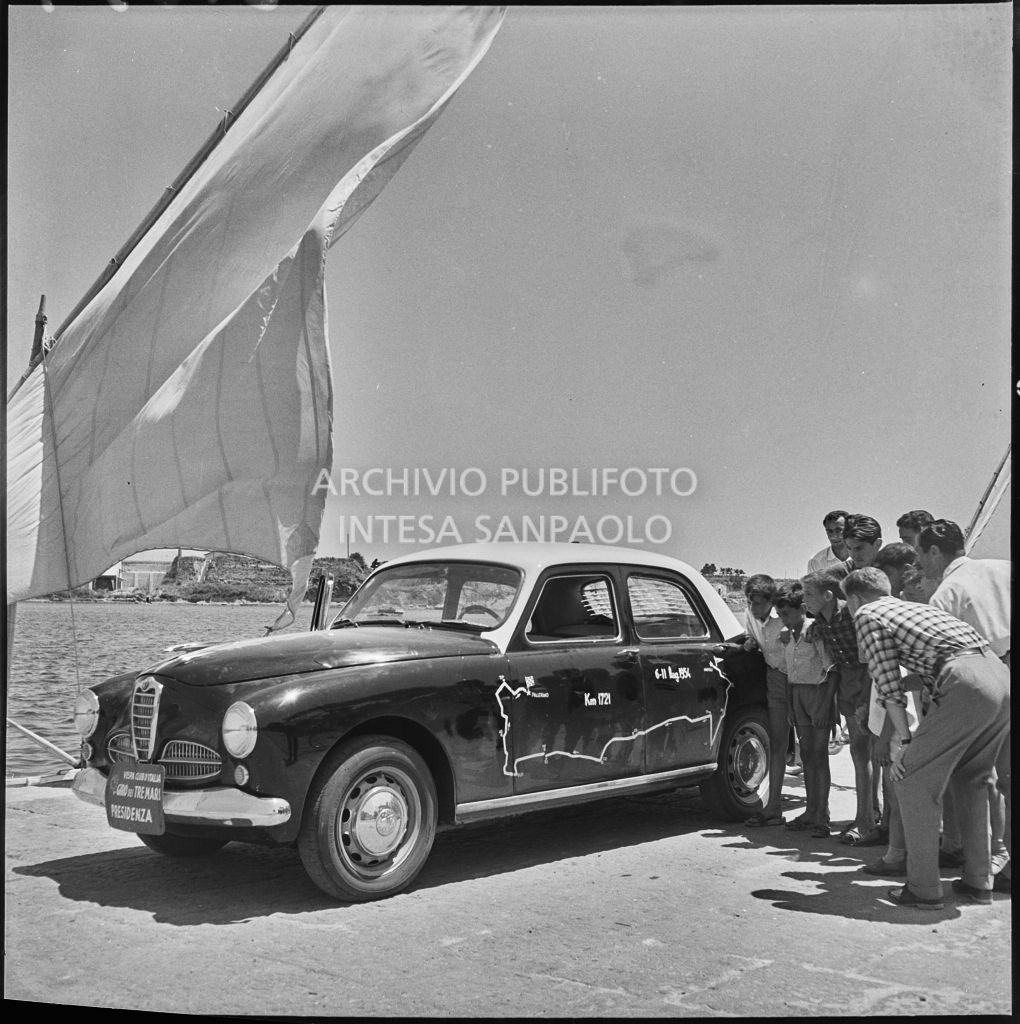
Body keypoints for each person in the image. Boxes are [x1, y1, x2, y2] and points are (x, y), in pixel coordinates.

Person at [843, 567, 1009, 910]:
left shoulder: (867, 613)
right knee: (973, 779)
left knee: (912, 781)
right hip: (999, 676)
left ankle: (923, 888)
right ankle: (979, 882)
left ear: (855, 597)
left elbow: (887, 686)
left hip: (965, 683)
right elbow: (946, 658)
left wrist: (903, 742)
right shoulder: (917, 609)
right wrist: (910, 685)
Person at [918, 519, 1011, 895]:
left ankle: (979, 874)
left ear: (935, 552)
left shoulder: (947, 592)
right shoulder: (1002, 568)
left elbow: (938, 656)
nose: (921, 564)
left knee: (975, 776)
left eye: (922, 555)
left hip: (983, 676)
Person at [802, 568, 881, 846]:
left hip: (867, 676)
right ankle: (870, 813)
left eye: (809, 594)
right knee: (861, 751)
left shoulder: (851, 613)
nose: (804, 600)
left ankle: (866, 820)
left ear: (827, 595)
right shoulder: (820, 622)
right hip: (847, 681)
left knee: (864, 751)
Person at [775, 583, 836, 836]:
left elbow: (832, 670)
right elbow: (789, 673)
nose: (784, 620)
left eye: (787, 614)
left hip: (818, 694)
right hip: (798, 695)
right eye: (780, 615)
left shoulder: (815, 631)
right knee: (808, 756)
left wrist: (825, 706)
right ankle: (811, 811)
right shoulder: (788, 636)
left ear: (802, 609)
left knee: (820, 756)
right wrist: (790, 705)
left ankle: (822, 815)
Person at [741, 574, 789, 828]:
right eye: (750, 602)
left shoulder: (784, 616)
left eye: (758, 603)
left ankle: (819, 810)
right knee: (778, 743)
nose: (753, 608)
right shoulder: (751, 615)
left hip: (797, 677)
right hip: (774, 678)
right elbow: (752, 636)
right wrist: (750, 642)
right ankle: (773, 806)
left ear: (770, 601)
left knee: (814, 747)